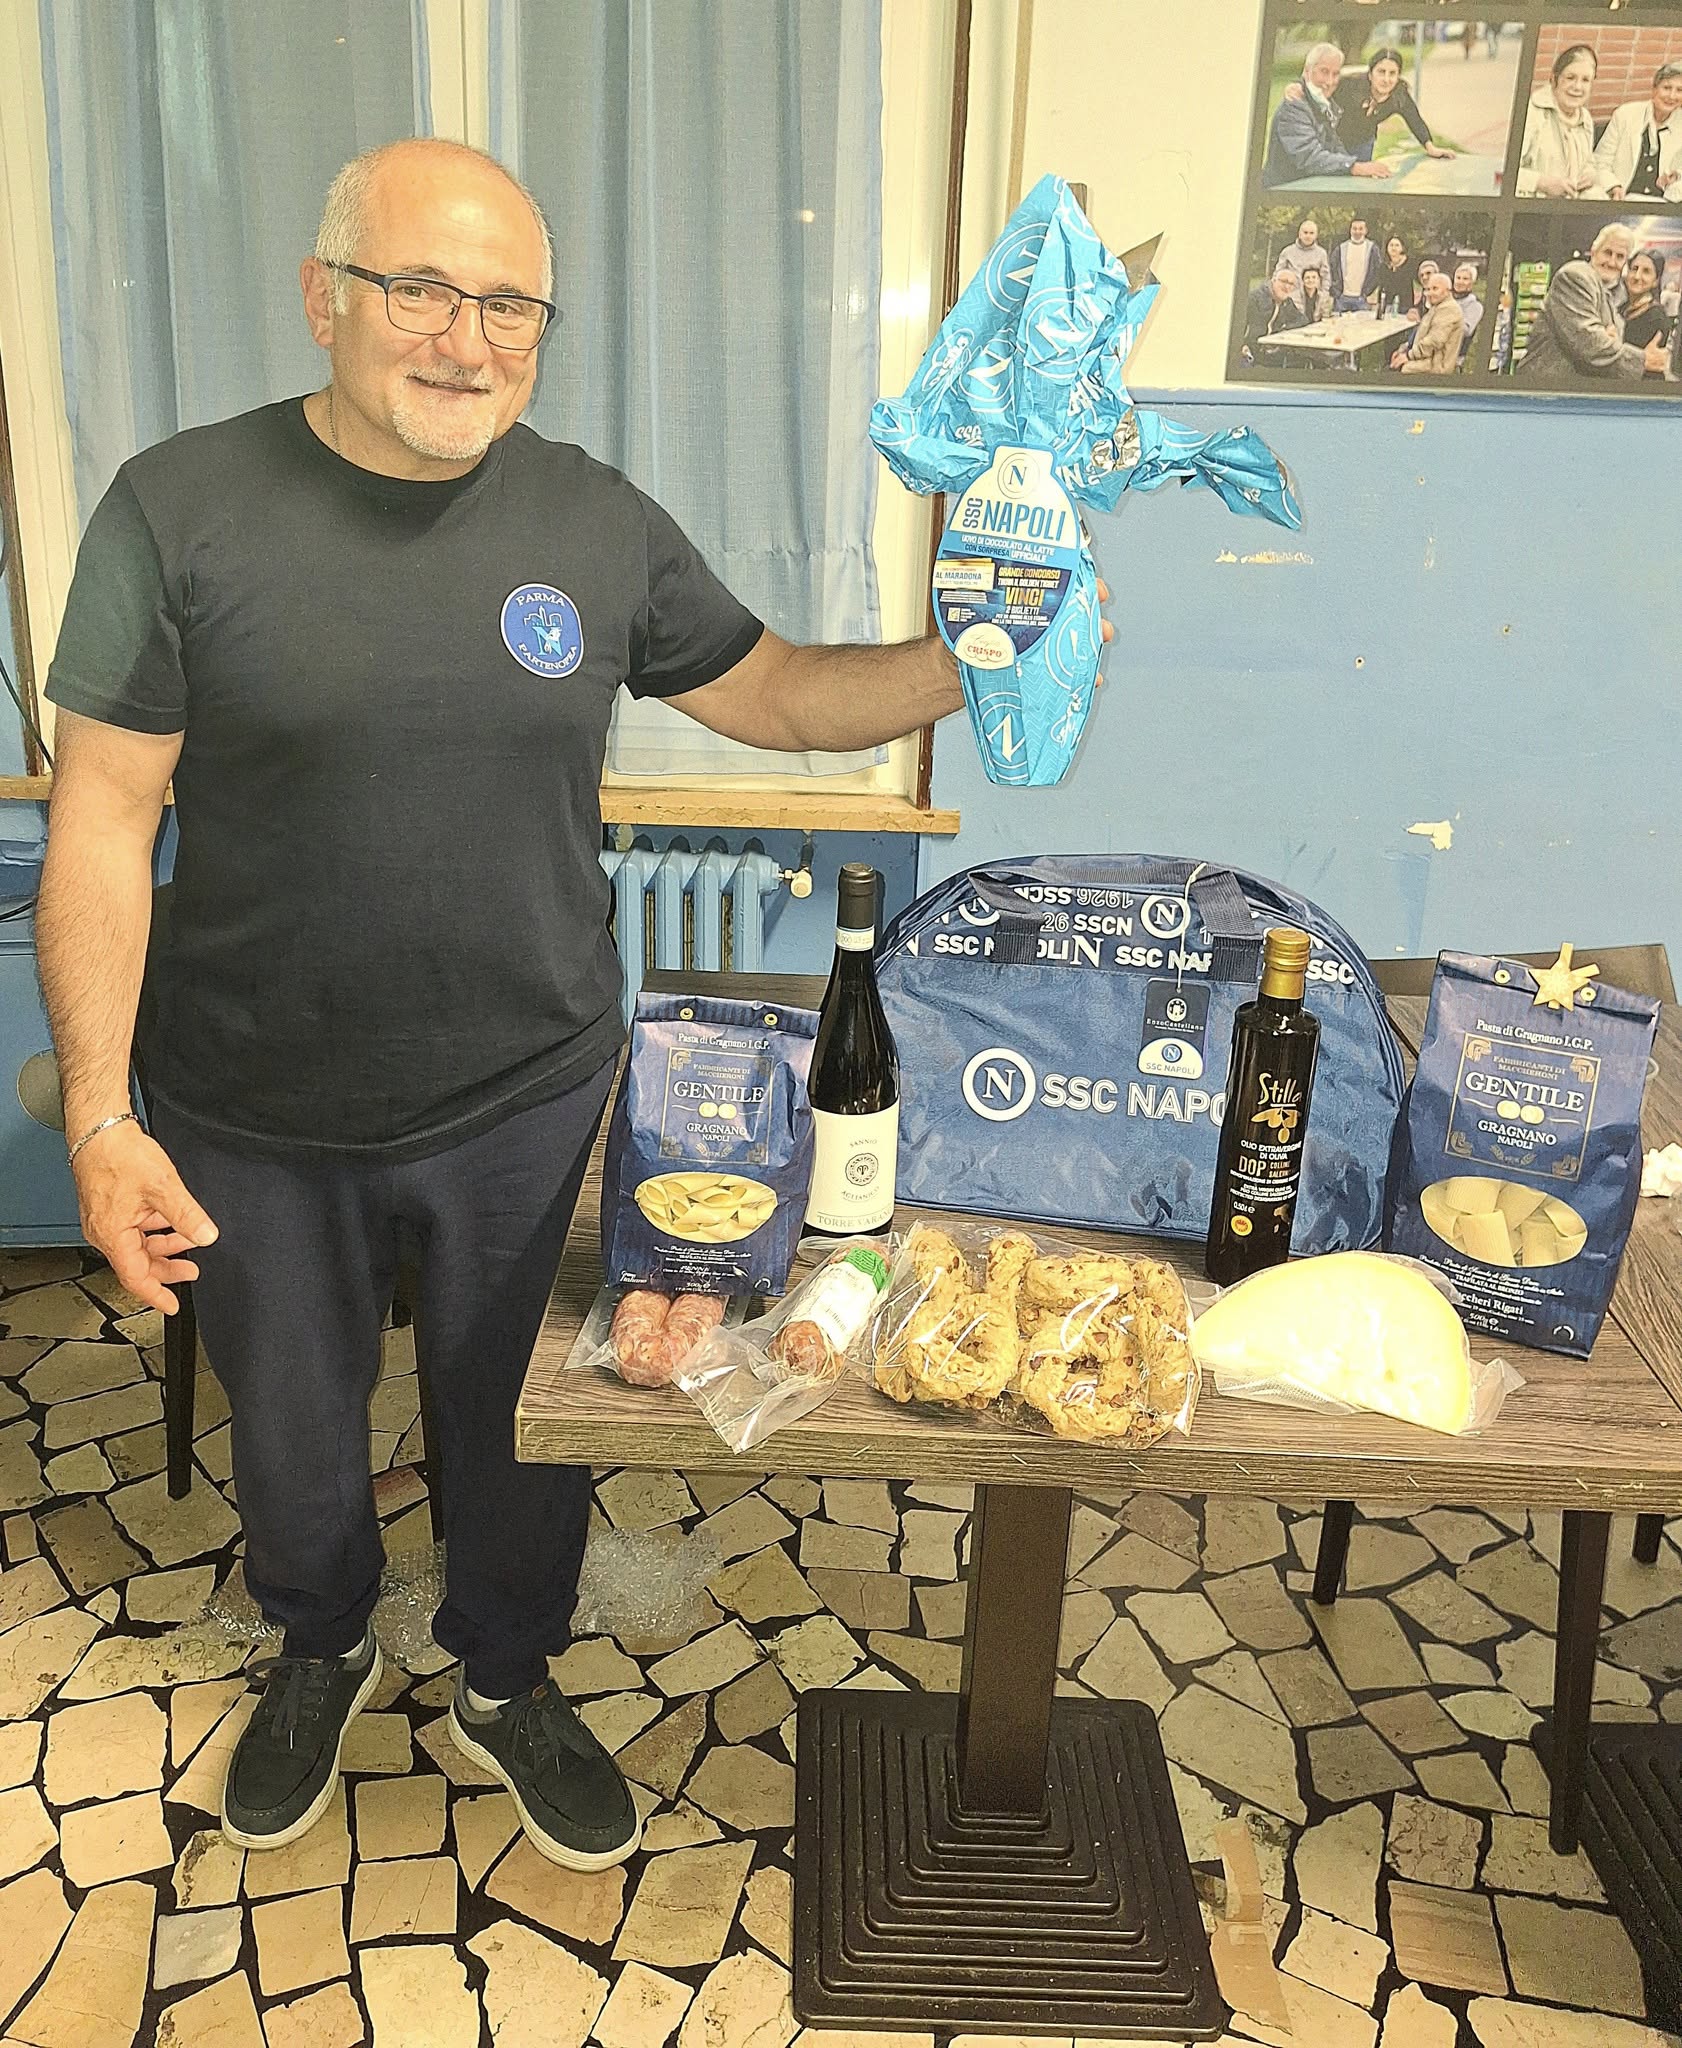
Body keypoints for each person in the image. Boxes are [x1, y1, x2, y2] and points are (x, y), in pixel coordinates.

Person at [33, 137, 1119, 1870]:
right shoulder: (178, 508)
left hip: (525, 1099)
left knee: (525, 1428)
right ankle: (319, 1644)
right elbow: (100, 815)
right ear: (323, 297)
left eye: (511, 306)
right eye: (422, 289)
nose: (468, 340)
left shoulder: (591, 521)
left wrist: (974, 651)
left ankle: (507, 1671)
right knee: (294, 1433)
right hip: (249, 1101)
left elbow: (780, 695)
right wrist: (101, 1113)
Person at [1514, 222, 1670, 382]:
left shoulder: (1608, 291)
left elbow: (1609, 343)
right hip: (1543, 389)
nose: (1612, 262)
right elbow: (1590, 343)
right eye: (1607, 253)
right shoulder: (1575, 276)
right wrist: (1642, 360)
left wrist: (1609, 341)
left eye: (1620, 257)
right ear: (1594, 251)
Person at [1263, 41, 1394, 185]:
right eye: (1324, 71)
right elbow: (1309, 157)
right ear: (1307, 71)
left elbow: (1335, 147)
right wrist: (1355, 167)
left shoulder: (1324, 102)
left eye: (1335, 74)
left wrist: (1364, 168)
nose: (1330, 81)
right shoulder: (1294, 106)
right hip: (1283, 190)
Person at [1331, 46, 1458, 166]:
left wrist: (1430, 148)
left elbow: (1415, 120)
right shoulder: (1349, 86)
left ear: (1398, 77)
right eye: (1381, 72)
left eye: (1392, 73)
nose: (1386, 79)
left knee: (1358, 177)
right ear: (1370, 74)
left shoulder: (1399, 95)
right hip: (1332, 140)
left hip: (1363, 143)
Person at [1517, 44, 1599, 198]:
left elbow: (1588, 162)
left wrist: (1590, 175)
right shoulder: (1531, 114)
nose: (1577, 87)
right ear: (1554, 79)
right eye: (1570, 78)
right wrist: (1542, 183)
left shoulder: (1586, 118)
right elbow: (1505, 172)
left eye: (1585, 80)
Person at [1592, 61, 1682, 201]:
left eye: (1679, 90)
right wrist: (1613, 186)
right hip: (1621, 200)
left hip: (1663, 204)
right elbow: (1600, 162)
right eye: (1666, 88)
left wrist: (1676, 178)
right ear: (1654, 89)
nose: (1671, 96)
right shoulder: (1625, 115)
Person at [1391, 268, 1464, 373]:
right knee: (1391, 365)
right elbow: (1421, 335)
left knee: (1396, 371)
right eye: (1428, 289)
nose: (1430, 293)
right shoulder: (1437, 307)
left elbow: (1434, 341)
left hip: (1436, 366)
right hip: (1424, 359)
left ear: (1448, 291)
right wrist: (1404, 349)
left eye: (1435, 289)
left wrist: (1408, 356)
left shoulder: (1449, 309)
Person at [1618, 248, 1673, 379]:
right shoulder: (1621, 308)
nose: (1637, 276)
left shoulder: (1657, 317)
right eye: (1634, 269)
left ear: (1656, 281)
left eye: (1646, 271)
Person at [1243, 267, 1311, 359]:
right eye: (1284, 281)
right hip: (1252, 351)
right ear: (1273, 280)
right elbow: (1238, 325)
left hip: (1273, 350)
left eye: (1291, 284)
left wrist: (1285, 328)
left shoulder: (1287, 302)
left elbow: (1303, 319)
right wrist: (1242, 345)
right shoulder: (1254, 298)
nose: (1287, 287)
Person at [1330, 218, 1381, 308]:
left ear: (1365, 230)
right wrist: (1336, 292)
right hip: (1342, 298)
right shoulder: (1341, 248)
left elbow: (1377, 272)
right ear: (1350, 230)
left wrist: (1368, 292)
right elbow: (1332, 269)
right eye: (1354, 228)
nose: (1357, 232)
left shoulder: (1372, 249)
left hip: (1362, 299)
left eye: (1360, 229)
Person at [1275, 218, 1332, 298]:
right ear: (1299, 234)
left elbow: (1325, 276)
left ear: (1316, 235)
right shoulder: (1287, 252)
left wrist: (1324, 294)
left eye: (1311, 233)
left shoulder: (1321, 253)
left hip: (1313, 298)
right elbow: (1278, 274)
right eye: (1305, 232)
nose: (1308, 236)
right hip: (1291, 296)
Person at [1374, 232, 1413, 314]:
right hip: (1387, 305)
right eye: (1391, 245)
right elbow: (1381, 286)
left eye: (1397, 245)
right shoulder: (1384, 266)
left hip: (1405, 305)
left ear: (1402, 248)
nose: (1393, 248)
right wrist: (1379, 304)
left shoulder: (1409, 264)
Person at [1453, 262, 1484, 346]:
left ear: (1472, 282)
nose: (1460, 282)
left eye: (1465, 279)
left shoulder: (1475, 305)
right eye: (1458, 278)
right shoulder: (1446, 299)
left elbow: (1466, 331)